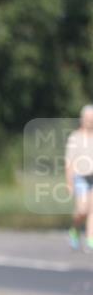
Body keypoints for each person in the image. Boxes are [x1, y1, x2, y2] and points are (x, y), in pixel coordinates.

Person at [66, 105, 93, 251]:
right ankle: (74, 230)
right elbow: (69, 161)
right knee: (82, 210)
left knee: (92, 210)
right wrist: (69, 182)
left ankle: (90, 240)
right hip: (80, 177)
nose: (90, 122)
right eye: (88, 119)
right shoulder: (75, 137)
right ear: (83, 119)